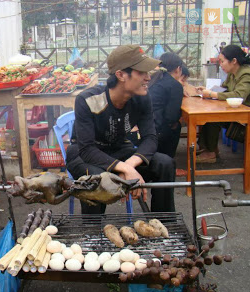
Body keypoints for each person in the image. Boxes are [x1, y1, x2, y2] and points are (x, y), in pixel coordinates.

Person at [66, 45, 176, 214]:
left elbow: (151, 138)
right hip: (84, 154)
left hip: (118, 150)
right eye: (142, 72)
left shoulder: (143, 98)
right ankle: (92, 233)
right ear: (121, 75)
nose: (148, 78)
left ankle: (164, 226)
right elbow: (87, 149)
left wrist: (129, 165)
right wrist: (124, 169)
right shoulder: (88, 100)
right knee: (97, 179)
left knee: (165, 163)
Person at [196, 45, 250, 163]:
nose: (220, 64)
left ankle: (210, 152)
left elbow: (238, 95)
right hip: (237, 111)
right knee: (207, 113)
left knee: (213, 117)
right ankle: (210, 149)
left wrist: (212, 94)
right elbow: (224, 89)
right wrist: (207, 90)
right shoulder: (232, 73)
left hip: (246, 117)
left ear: (234, 61)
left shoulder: (246, 74)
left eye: (222, 61)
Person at [148, 52, 184, 158]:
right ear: (178, 69)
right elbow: (171, 117)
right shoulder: (175, 85)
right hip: (158, 130)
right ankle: (168, 159)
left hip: (144, 126)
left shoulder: (153, 79)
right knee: (176, 125)